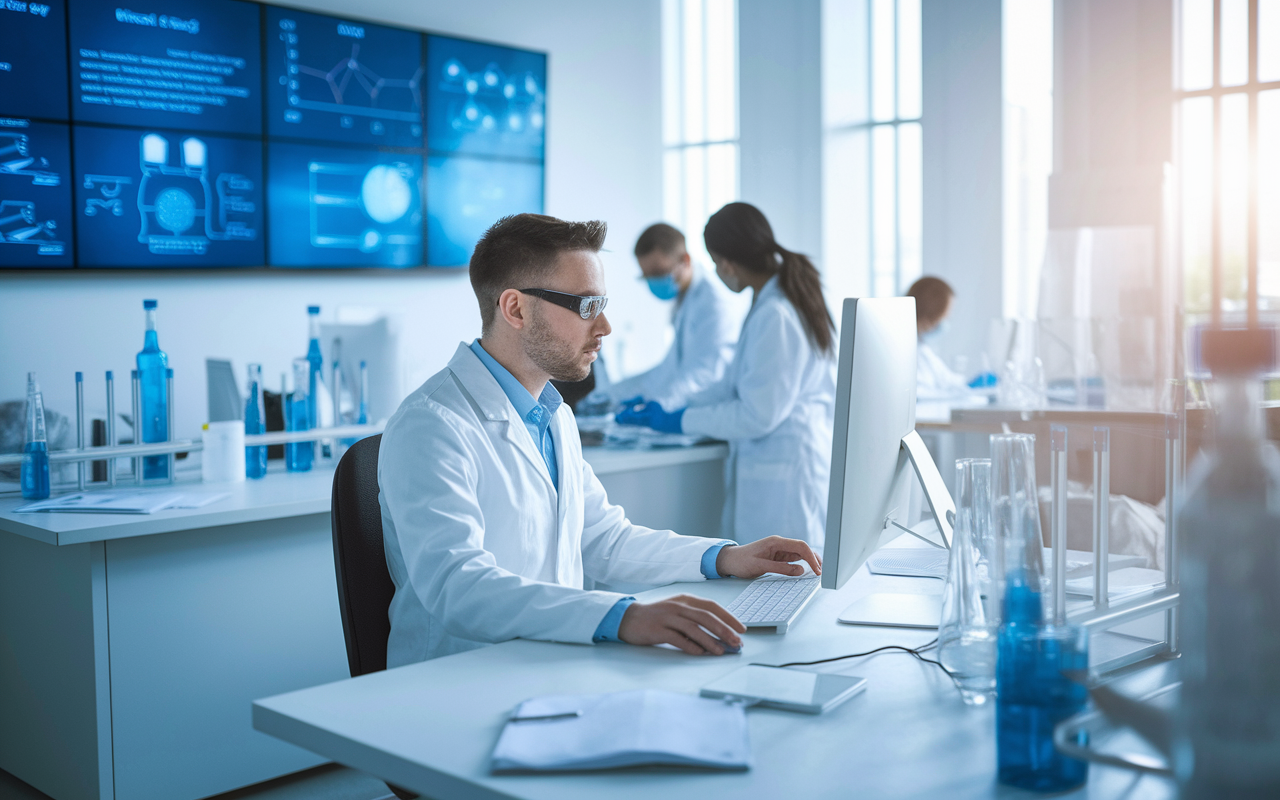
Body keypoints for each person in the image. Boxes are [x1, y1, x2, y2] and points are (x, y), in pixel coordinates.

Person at [378, 213, 821, 666]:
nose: (604, 326)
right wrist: (622, 617)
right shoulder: (432, 425)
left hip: (549, 668)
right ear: (515, 309)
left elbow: (605, 540)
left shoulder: (554, 416)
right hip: (453, 686)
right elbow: (458, 586)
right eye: (586, 306)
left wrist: (725, 557)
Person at [616, 203, 837, 552]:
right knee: (768, 585)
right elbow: (731, 384)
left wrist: (681, 420)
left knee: (786, 588)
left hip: (788, 479)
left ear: (729, 263)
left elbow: (756, 415)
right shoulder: (768, 303)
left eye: (717, 262)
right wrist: (674, 408)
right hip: (775, 470)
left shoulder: (776, 314)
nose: (718, 271)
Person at [603, 223, 741, 408]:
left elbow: (704, 376)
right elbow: (670, 368)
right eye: (647, 276)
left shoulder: (715, 304)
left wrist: (658, 404)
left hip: (707, 410)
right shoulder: (685, 298)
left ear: (685, 260)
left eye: (658, 273)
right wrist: (612, 393)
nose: (653, 281)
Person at [907, 275, 983, 399]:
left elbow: (946, 380)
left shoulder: (922, 347)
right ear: (932, 310)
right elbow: (919, 394)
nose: (947, 318)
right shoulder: (905, 348)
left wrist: (971, 386)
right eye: (945, 314)